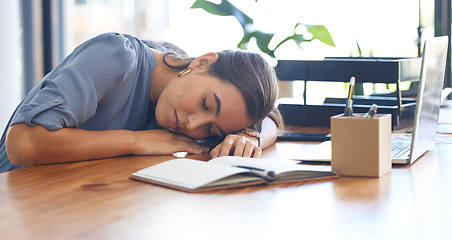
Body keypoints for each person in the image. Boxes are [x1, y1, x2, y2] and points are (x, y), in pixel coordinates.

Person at [0, 32, 282, 172]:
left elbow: (272, 119)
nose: (192, 124)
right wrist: (136, 141)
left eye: (212, 131)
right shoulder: (118, 55)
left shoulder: (181, 95)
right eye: (207, 104)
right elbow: (23, 144)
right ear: (202, 62)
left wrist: (250, 138)